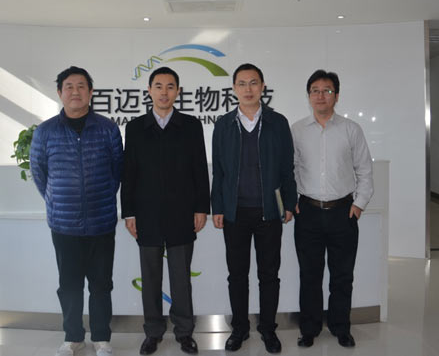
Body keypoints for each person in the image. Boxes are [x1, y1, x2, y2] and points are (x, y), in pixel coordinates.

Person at [30, 66, 123, 356]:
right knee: (69, 285)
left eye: (81, 86)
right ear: (60, 93)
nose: (75, 91)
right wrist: (57, 200)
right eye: (69, 86)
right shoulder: (46, 131)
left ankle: (101, 338)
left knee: (101, 284)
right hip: (64, 224)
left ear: (91, 92)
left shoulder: (107, 128)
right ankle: (73, 337)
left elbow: (117, 170)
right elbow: (39, 173)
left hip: (101, 222)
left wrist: (102, 197)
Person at [121, 66, 210, 355]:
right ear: (149, 91)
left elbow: (200, 170)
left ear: (178, 92)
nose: (164, 92)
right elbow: (129, 173)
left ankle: (184, 332)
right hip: (146, 214)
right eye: (158, 86)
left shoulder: (191, 125)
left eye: (170, 86)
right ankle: (153, 332)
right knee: (150, 278)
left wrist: (201, 208)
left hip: (182, 213)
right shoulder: (135, 128)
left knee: (181, 278)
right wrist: (129, 212)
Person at [211, 63, 296, 354]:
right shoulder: (223, 124)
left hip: (268, 212)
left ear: (263, 87)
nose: (248, 89)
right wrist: (218, 207)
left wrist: (289, 204)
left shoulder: (277, 122)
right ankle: (240, 328)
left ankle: (268, 329)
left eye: (253, 83)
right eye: (242, 83)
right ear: (234, 88)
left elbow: (287, 168)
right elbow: (219, 172)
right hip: (235, 213)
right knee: (237, 275)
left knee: (269, 275)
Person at [291, 70, 374, 348]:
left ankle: (341, 327)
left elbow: (365, 171)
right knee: (309, 275)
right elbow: (288, 169)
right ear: (308, 96)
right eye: (315, 90)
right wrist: (292, 201)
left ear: (336, 96)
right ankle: (309, 329)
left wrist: (358, 205)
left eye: (326, 90)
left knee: (342, 275)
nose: (320, 96)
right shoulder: (297, 130)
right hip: (308, 212)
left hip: (343, 212)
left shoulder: (351, 129)